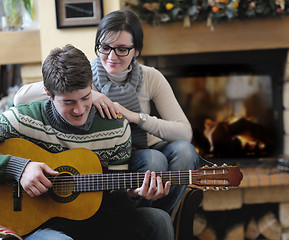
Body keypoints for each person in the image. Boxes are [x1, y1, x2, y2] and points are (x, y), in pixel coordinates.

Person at [14, 9, 199, 215]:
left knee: (185, 151)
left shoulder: (151, 77)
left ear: (136, 50)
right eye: (105, 47)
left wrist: (134, 117)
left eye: (122, 49)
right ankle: (144, 217)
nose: (112, 56)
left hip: (144, 147)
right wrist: (91, 94)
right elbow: (21, 98)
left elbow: (185, 133)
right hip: (111, 156)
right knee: (154, 161)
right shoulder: (84, 78)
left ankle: (164, 215)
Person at [1, 44, 174, 240]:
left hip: (97, 222)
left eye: (85, 98)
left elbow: (113, 204)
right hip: (38, 226)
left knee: (158, 220)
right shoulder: (20, 120)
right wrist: (18, 168)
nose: (79, 109)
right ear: (48, 94)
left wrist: (131, 194)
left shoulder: (116, 128)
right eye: (68, 102)